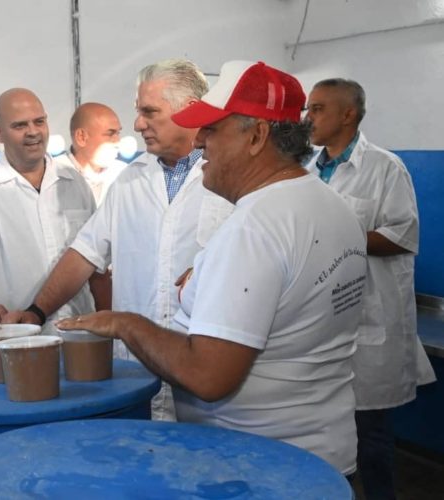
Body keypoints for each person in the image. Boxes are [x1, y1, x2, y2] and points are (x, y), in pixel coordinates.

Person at [58, 60, 369, 476]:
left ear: (257, 136)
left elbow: (207, 376)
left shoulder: (254, 227)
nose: (201, 141)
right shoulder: (333, 207)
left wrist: (125, 323)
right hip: (323, 456)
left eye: (213, 129)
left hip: (255, 464)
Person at [3, 59, 233, 421]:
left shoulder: (227, 179)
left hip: (207, 376)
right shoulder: (129, 181)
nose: (138, 125)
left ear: (190, 110)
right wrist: (36, 312)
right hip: (135, 373)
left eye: (149, 112)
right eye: (138, 112)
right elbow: (84, 255)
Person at [305, 78, 436, 498]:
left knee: (371, 435)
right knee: (324, 433)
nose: (308, 117)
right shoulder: (307, 169)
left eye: (318, 108)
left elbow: (402, 235)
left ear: (348, 114)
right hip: (319, 321)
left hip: (368, 321)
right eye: (308, 108)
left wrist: (336, 238)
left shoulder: (385, 168)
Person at [0, 88, 107, 331]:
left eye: (39, 122)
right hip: (17, 336)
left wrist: (109, 324)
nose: (33, 132)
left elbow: (95, 262)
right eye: (20, 125)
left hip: (79, 333)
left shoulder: (74, 182)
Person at [55, 102, 127, 205]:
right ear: (81, 137)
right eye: (110, 134)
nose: (118, 141)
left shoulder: (124, 173)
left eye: (118, 133)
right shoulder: (52, 175)